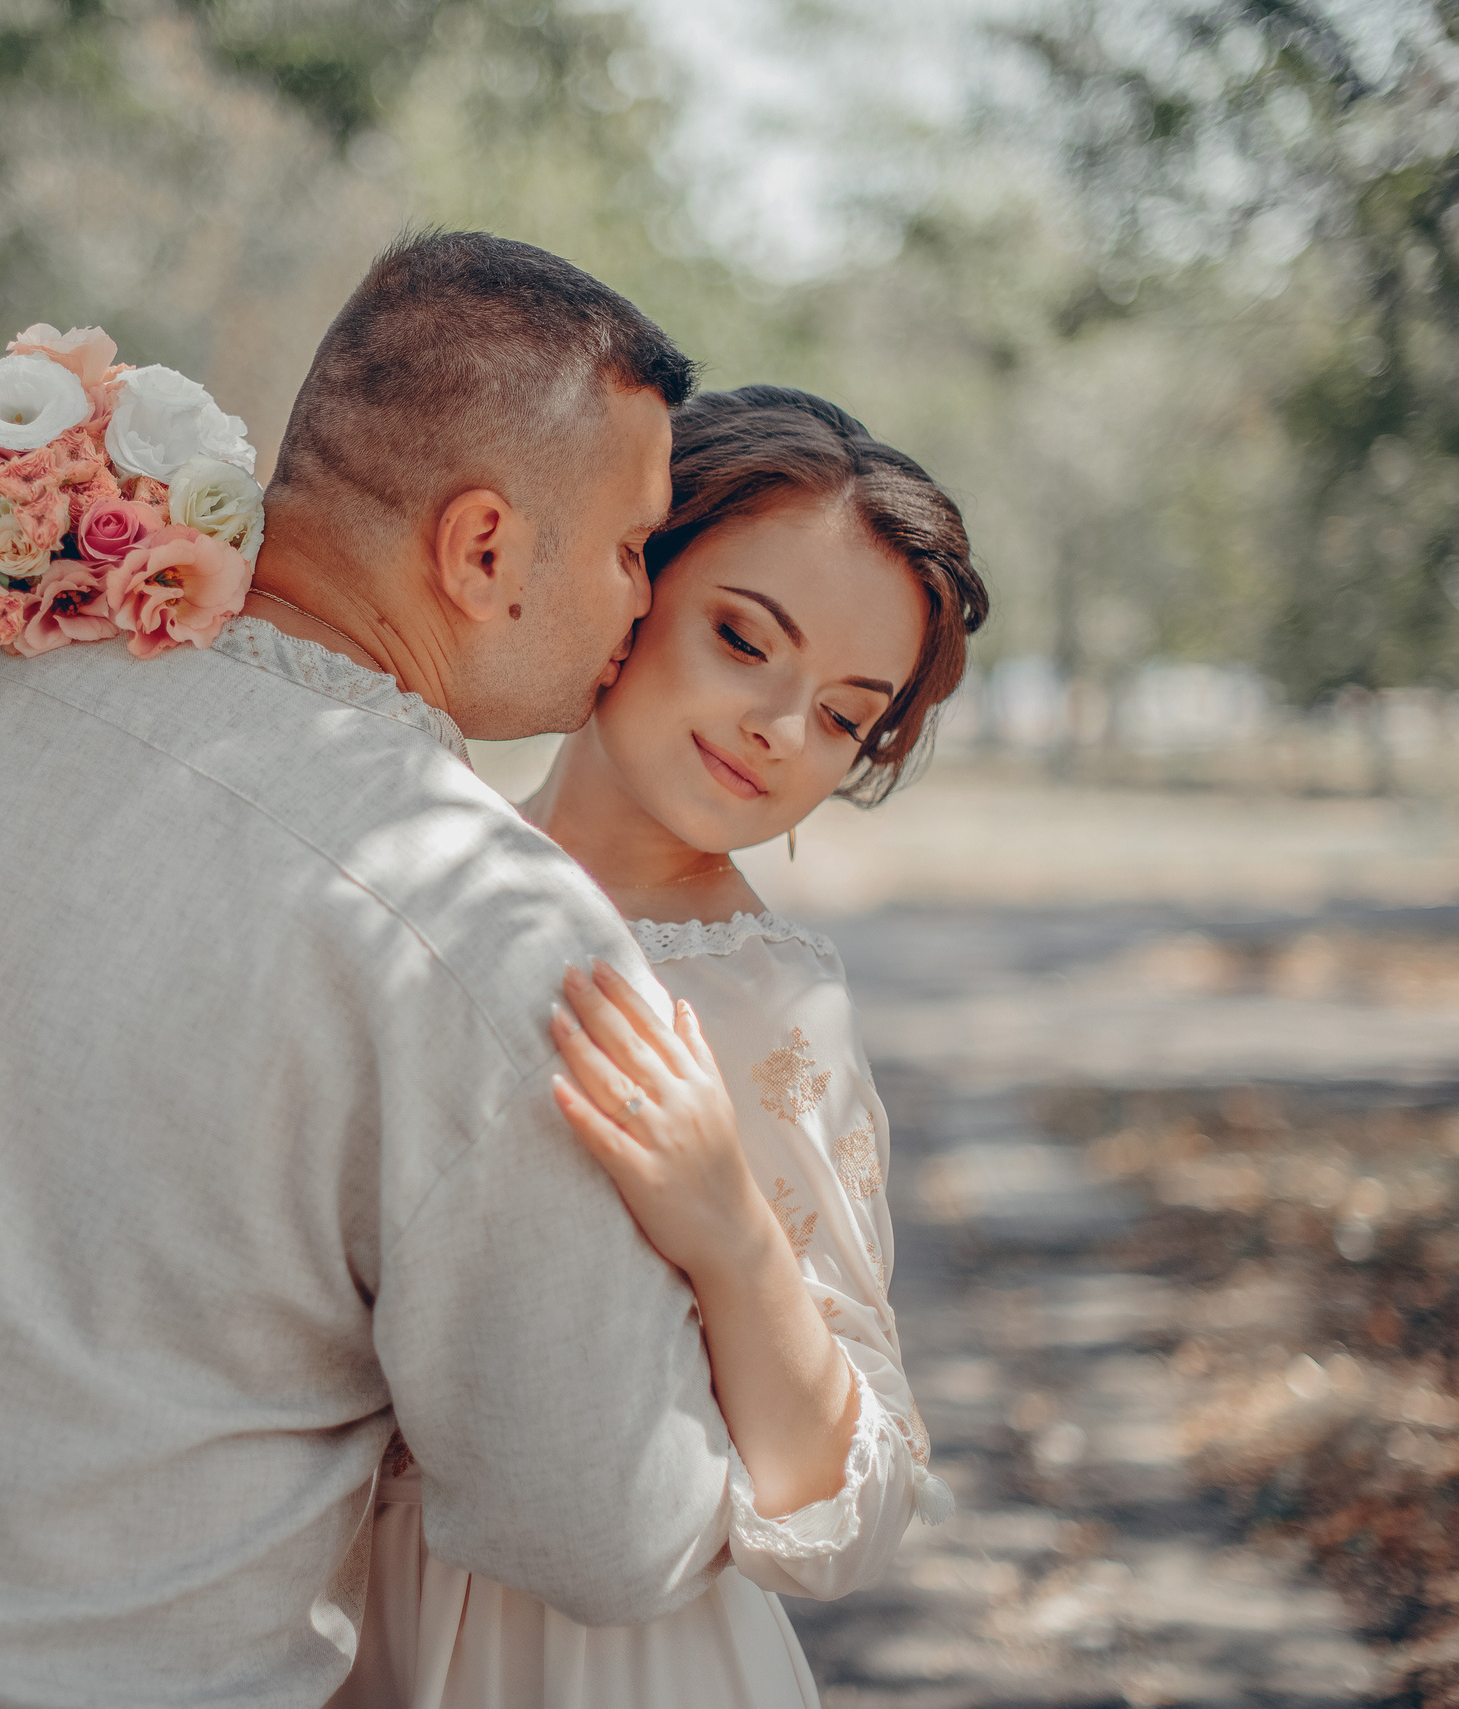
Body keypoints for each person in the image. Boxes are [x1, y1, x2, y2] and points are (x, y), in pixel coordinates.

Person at [0, 232, 745, 1707]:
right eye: (633, 547)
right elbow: (604, 1523)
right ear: (484, 549)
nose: (645, 599)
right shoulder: (478, 919)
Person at [336, 385, 988, 1708]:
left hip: (606, 1664)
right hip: (321, 1623)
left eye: (844, 717)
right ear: (631, 582)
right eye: (745, 638)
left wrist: (728, 1222)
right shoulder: (382, 854)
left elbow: (853, 1499)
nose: (778, 728)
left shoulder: (762, 1004)